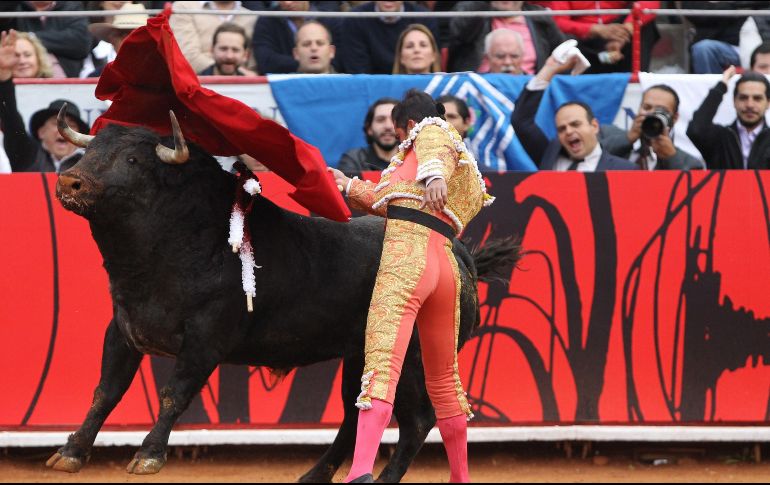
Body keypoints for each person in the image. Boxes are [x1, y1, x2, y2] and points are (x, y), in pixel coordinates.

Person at [328, 89, 494, 483]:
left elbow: (433, 143)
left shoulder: (431, 133)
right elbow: (397, 202)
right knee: (442, 378)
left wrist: (434, 172)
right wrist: (347, 184)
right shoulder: (450, 161)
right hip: (445, 264)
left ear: (406, 126)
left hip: (408, 259)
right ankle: (460, 477)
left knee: (383, 363)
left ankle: (360, 471)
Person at [511, 52, 636, 171]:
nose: (569, 131)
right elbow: (520, 120)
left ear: (594, 126)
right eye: (561, 129)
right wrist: (549, 69)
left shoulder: (625, 170)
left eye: (575, 124)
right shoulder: (549, 156)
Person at [0, 30, 89, 172]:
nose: (64, 131)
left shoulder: (91, 167)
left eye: (72, 125)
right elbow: (10, 117)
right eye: (56, 123)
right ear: (41, 132)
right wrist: (4, 77)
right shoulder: (26, 156)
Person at [687, 66, 770, 169]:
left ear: (768, 103)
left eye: (757, 98)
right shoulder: (719, 138)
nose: (750, 104)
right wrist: (721, 86)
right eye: (743, 98)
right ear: (734, 101)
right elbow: (696, 129)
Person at [448, 1, 565, 74]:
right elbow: (459, 35)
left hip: (528, 86)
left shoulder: (539, 17)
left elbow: (563, 55)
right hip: (481, 88)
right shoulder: (472, 9)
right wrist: (484, 5)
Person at [608, 85, 705, 170]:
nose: (651, 114)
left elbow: (690, 185)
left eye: (661, 111)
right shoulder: (610, 136)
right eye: (646, 108)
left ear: (675, 118)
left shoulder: (691, 163)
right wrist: (628, 138)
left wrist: (671, 157)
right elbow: (595, 157)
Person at [549, 1, 660, 74]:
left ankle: (636, 80)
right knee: (560, 36)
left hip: (620, 34)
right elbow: (558, 21)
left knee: (645, 26)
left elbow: (649, 3)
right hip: (582, 40)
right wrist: (594, 29)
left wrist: (625, 30)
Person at [339, 1, 439, 74]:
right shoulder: (355, 19)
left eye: (422, 45)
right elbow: (358, 72)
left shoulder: (425, 18)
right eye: (409, 46)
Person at [252, 0, 340, 74]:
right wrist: (310, 63)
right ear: (296, 52)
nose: (287, 3)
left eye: (319, 43)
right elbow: (266, 62)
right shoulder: (267, 20)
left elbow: (340, 60)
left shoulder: (330, 19)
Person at [170, 1, 257, 74]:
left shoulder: (252, 17)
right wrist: (235, 72)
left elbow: (253, 66)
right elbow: (187, 58)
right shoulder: (184, 8)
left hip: (244, 88)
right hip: (197, 85)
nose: (229, 56)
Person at [13, 1, 92, 78]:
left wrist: (32, 37)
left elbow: (81, 43)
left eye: (27, 55)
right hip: (20, 80)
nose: (22, 60)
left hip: (67, 81)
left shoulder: (71, 6)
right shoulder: (13, 7)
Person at [337, 97, 398, 175]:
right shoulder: (354, 160)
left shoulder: (416, 159)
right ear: (369, 129)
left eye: (394, 120)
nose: (388, 126)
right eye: (380, 120)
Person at [86, 2, 149, 77]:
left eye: (140, 36)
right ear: (112, 40)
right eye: (124, 35)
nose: (132, 42)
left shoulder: (163, 76)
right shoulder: (99, 76)